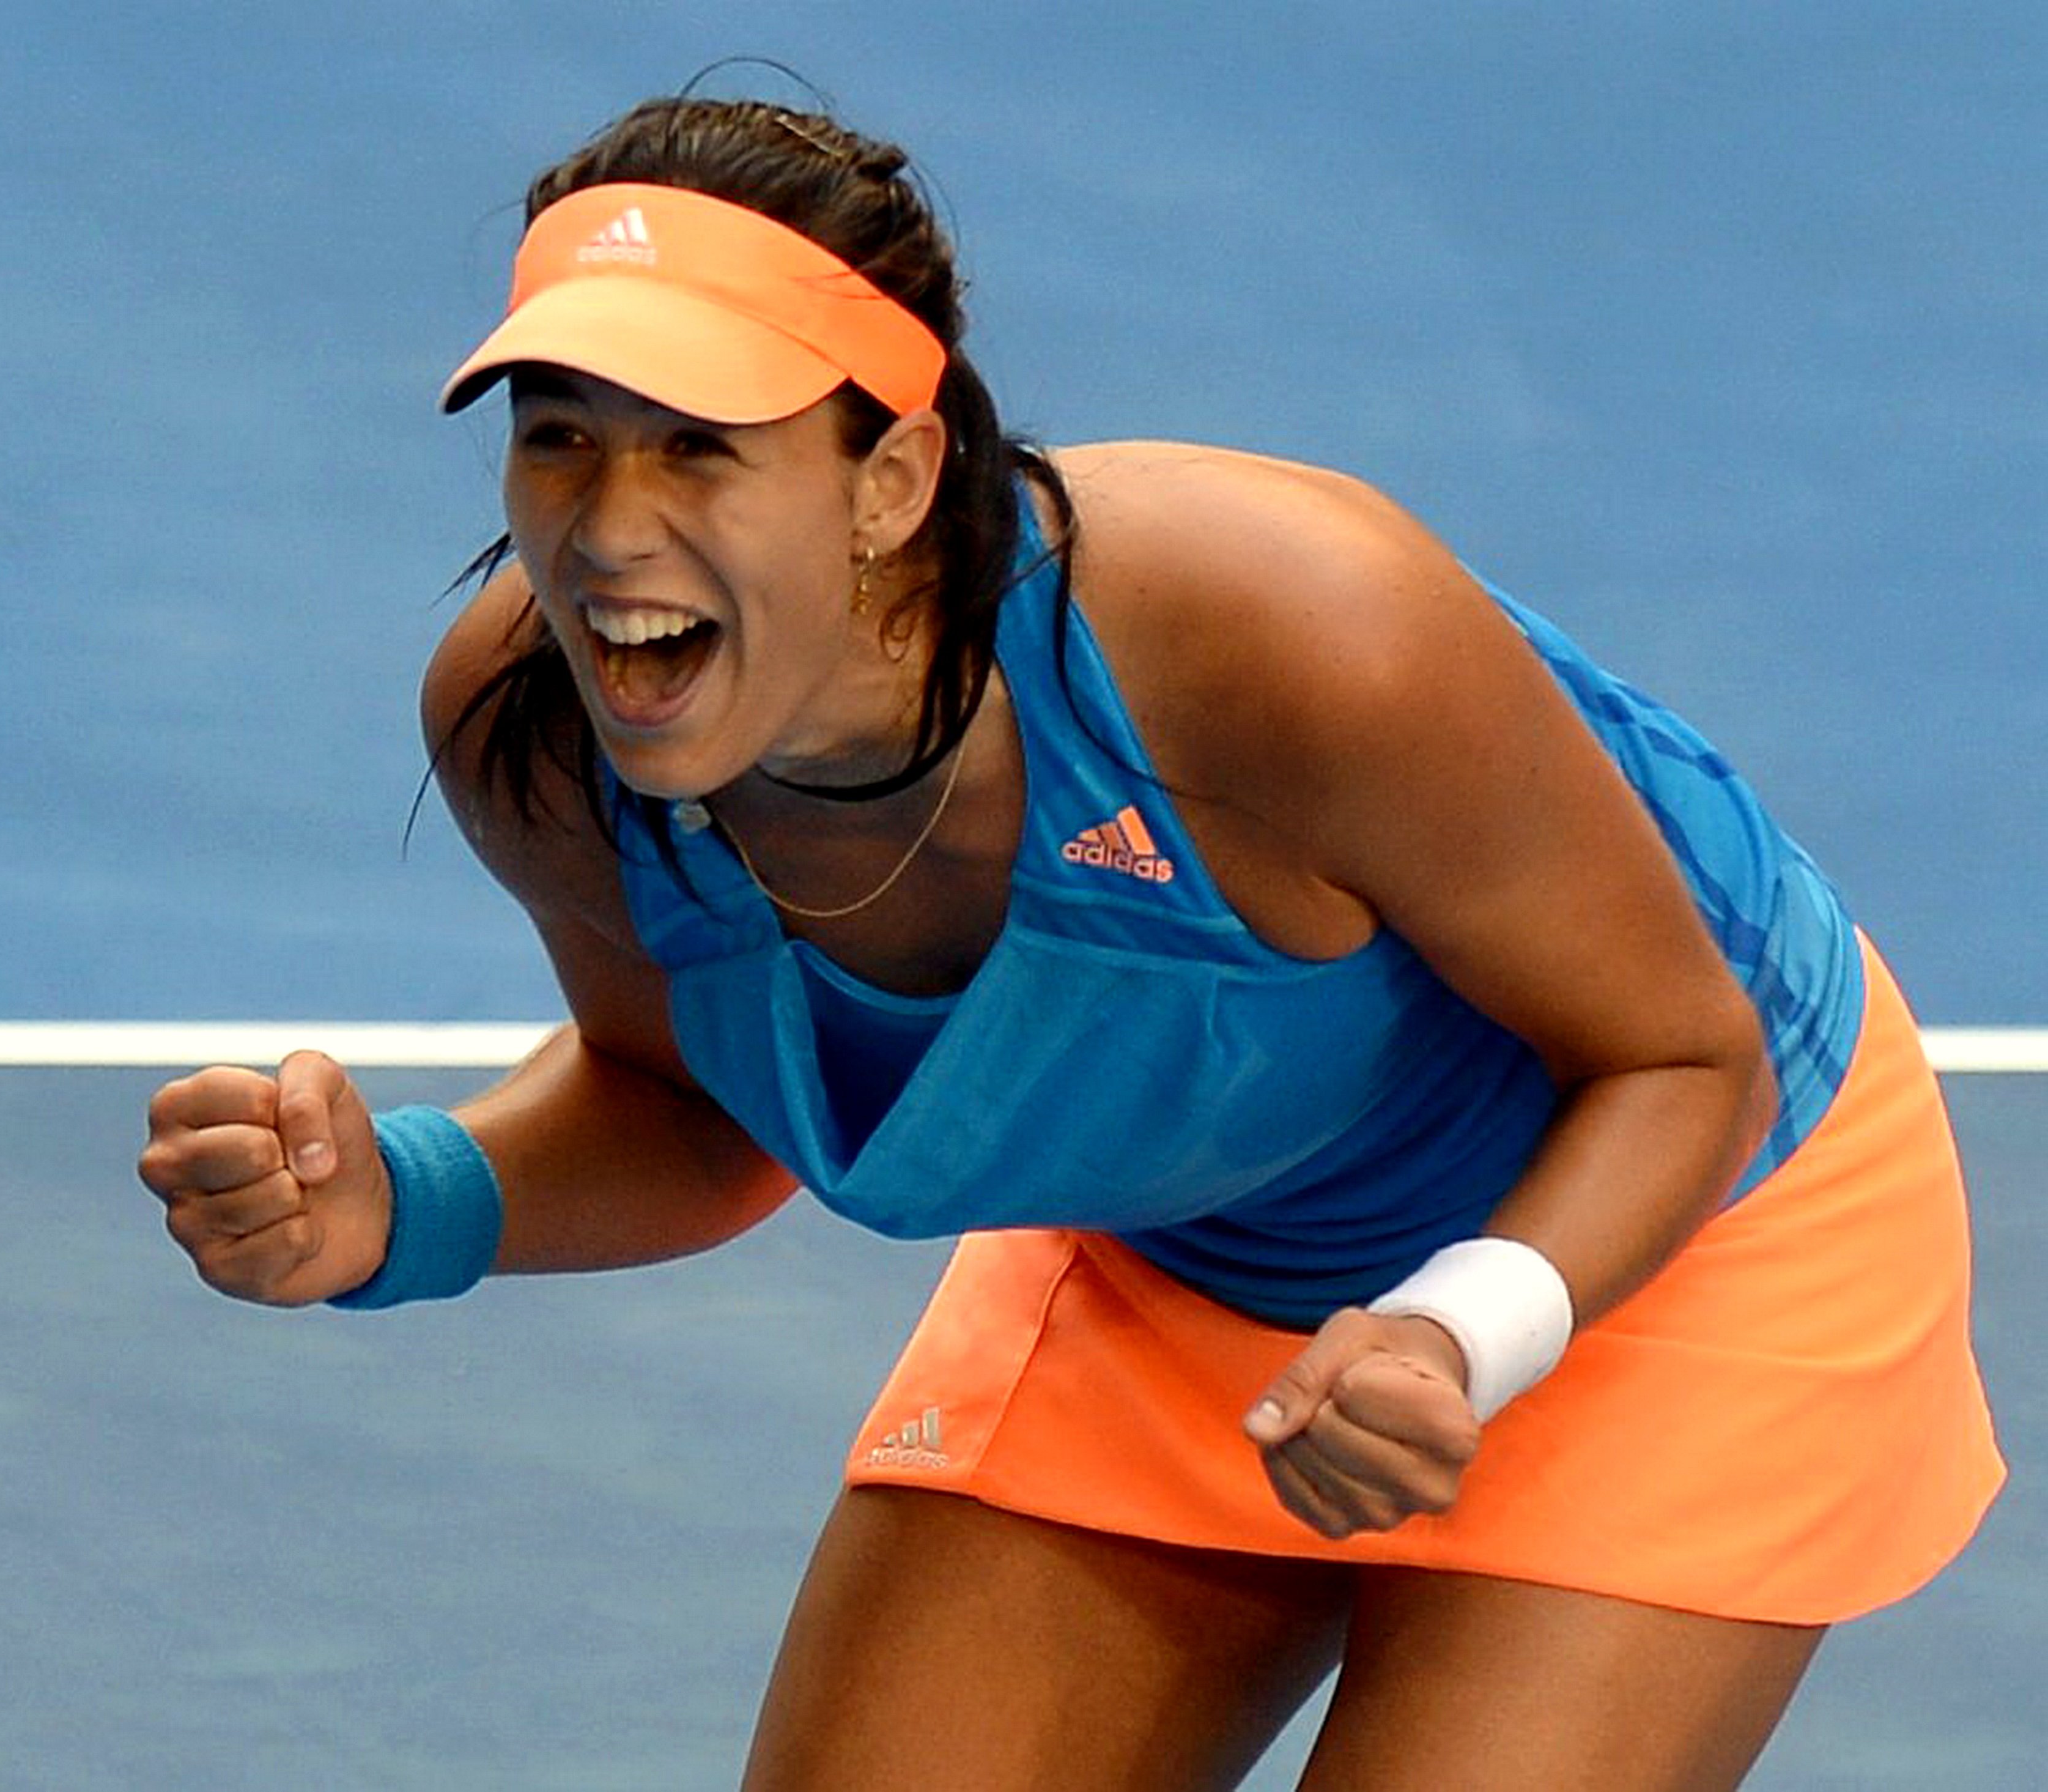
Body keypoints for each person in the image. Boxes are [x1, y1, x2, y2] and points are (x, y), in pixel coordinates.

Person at [138, 94, 2003, 1789]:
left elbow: (1678, 1053)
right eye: (561, 442)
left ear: (889, 481)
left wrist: (1456, 1331)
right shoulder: (539, 739)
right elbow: (689, 1105)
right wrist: (408, 1200)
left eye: (700, 450)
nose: (608, 531)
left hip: (1678, 1235)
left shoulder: (1294, 633)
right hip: (1191, 1255)